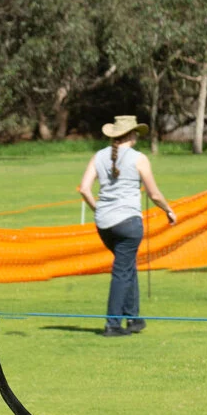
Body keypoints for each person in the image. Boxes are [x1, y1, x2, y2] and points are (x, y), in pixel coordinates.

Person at [77, 116, 178, 337]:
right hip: (128, 224)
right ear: (131, 134)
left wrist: (98, 210)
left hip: (104, 225)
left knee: (127, 265)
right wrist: (169, 211)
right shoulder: (139, 158)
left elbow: (84, 189)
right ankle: (112, 324)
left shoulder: (98, 156)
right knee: (122, 271)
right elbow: (154, 194)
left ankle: (133, 318)